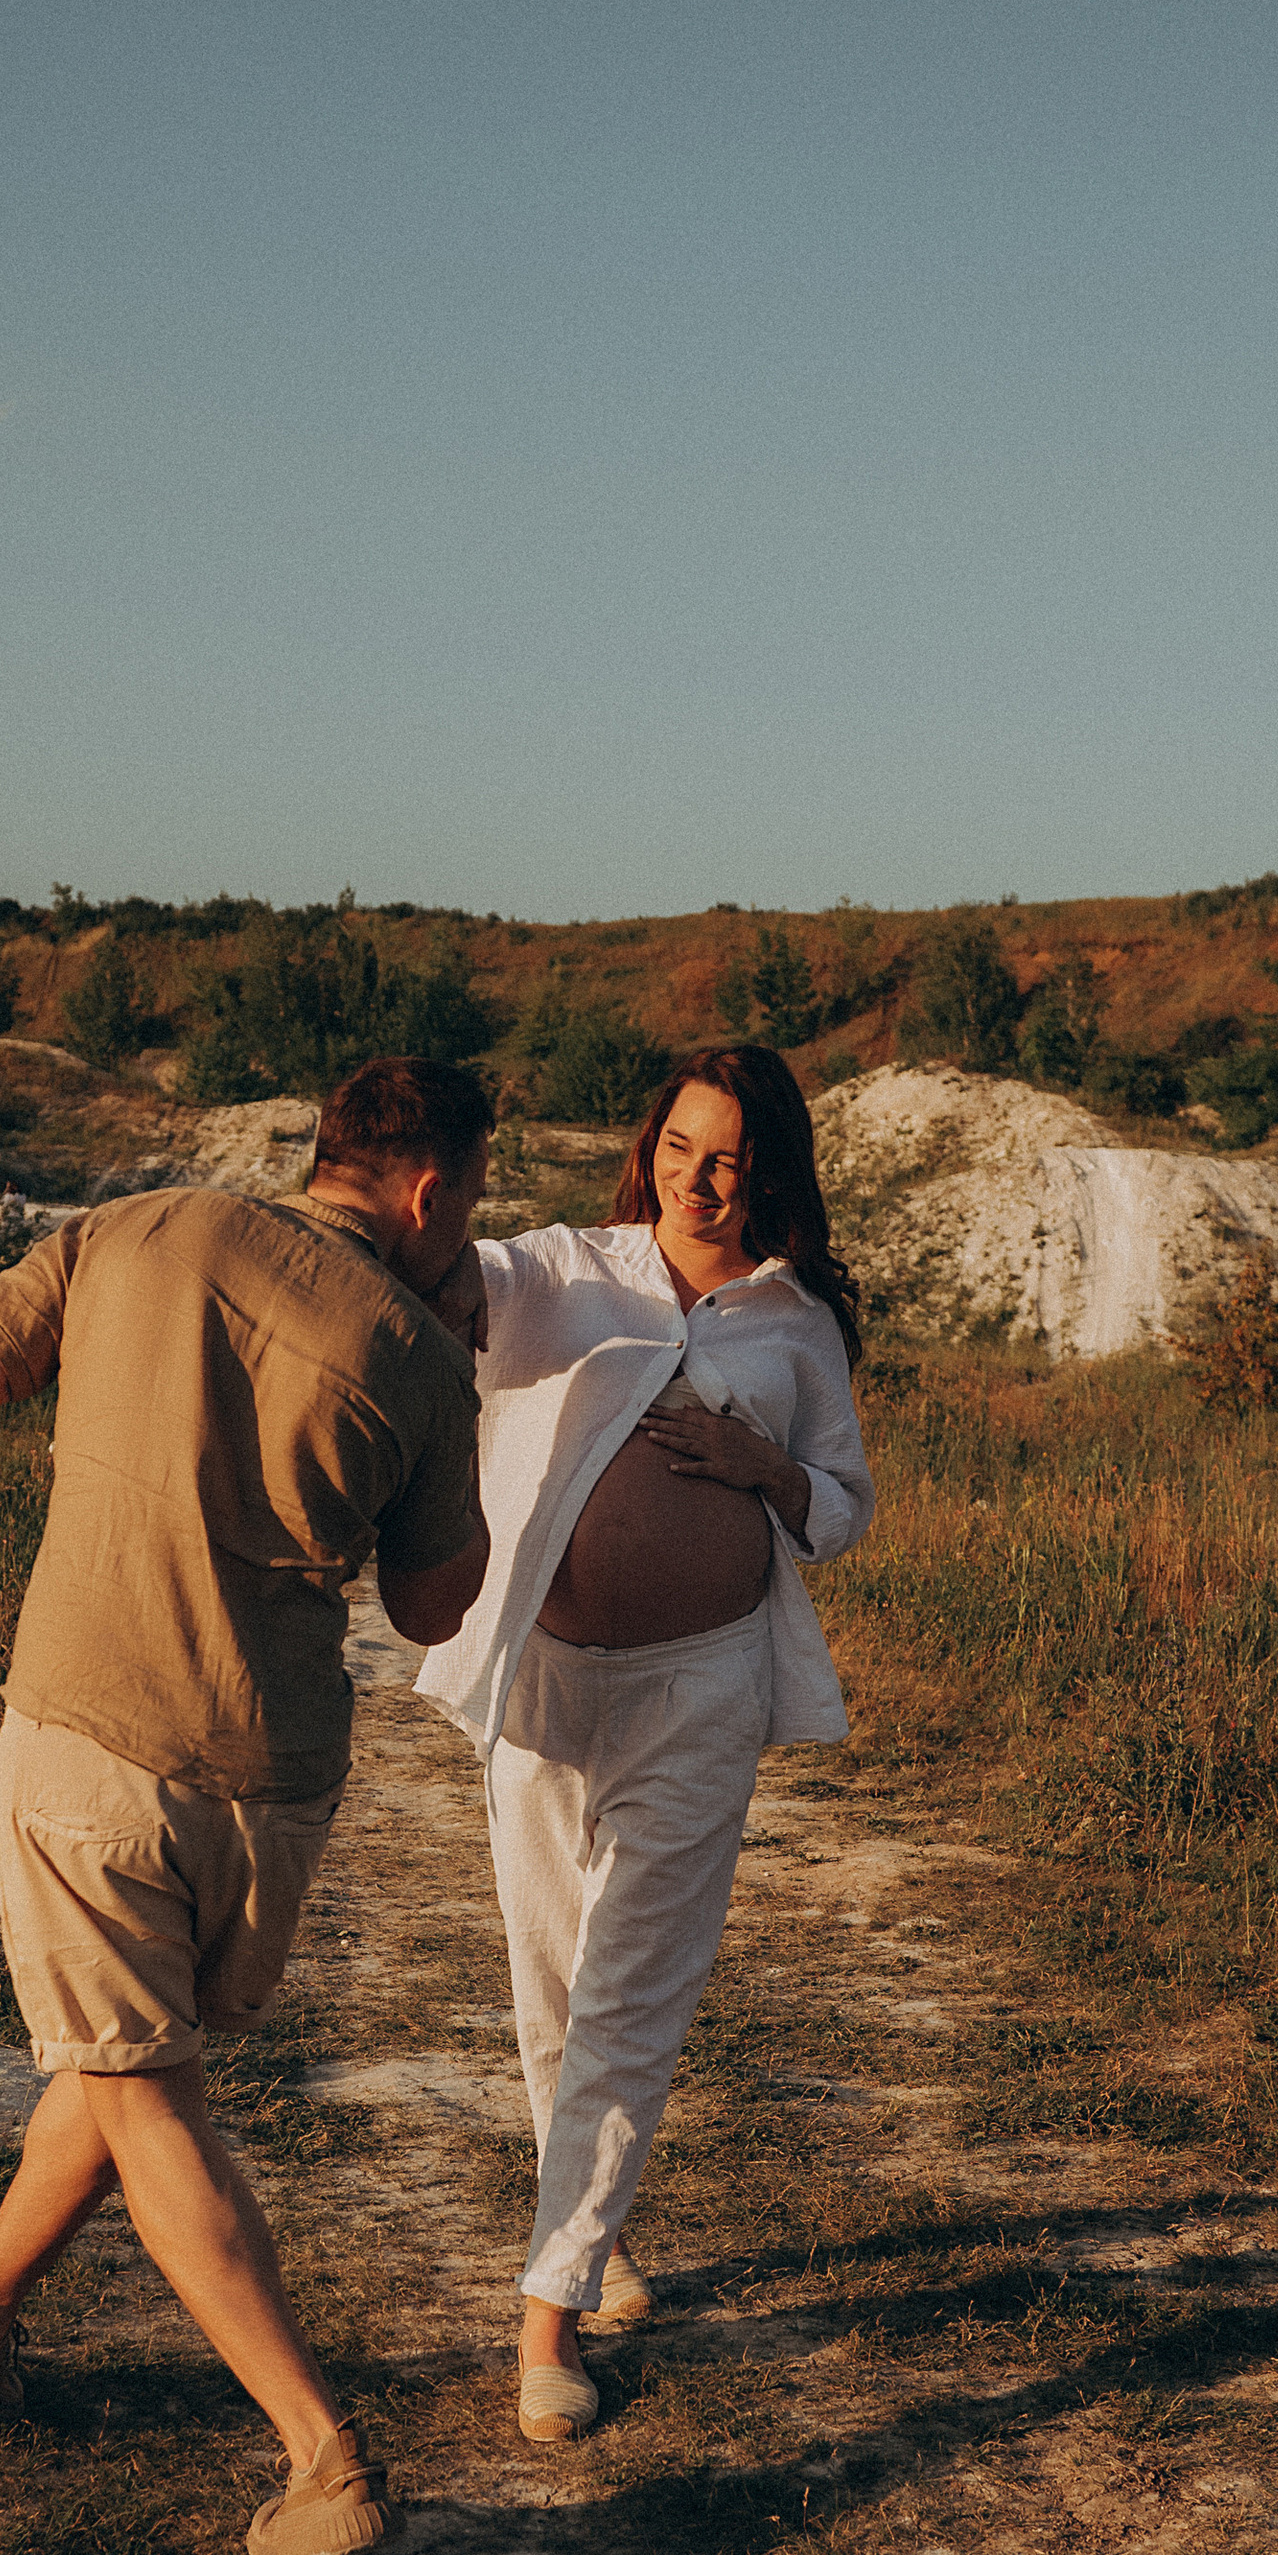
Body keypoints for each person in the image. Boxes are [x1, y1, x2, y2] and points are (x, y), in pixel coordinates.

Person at [0, 1056, 495, 2555]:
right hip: (271, 1788)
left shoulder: (126, 1228)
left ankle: (324, 2454)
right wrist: (451, 1377)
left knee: (145, 2092)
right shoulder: (416, 1347)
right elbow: (435, 1607)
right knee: (131, 2060)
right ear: (430, 1189)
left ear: (332, 1154)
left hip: (87, 1737)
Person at [414, 1044, 872, 2443]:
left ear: (773, 1170)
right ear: (649, 1147)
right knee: (551, 1984)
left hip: (703, 1690)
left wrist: (766, 1469)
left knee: (632, 1992)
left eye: (730, 1155)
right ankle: (595, 2233)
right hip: (546, 1687)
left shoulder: (797, 1326)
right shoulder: (567, 1271)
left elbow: (844, 1505)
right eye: (680, 1145)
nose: (700, 1177)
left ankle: (546, 2319)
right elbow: (457, 1284)